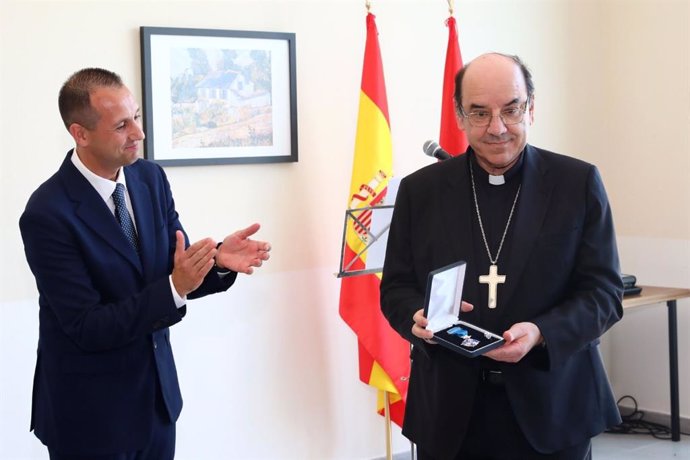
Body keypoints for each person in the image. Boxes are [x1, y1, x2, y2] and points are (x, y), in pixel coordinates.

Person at [380, 53, 623, 460]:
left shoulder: (576, 183)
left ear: (531, 107)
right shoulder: (421, 191)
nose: (497, 128)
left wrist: (542, 331)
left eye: (511, 110)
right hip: (450, 412)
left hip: (553, 407)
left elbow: (604, 292)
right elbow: (396, 289)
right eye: (479, 113)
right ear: (459, 116)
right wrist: (416, 315)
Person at [19, 68, 271, 459]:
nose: (138, 133)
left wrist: (217, 260)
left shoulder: (149, 178)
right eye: (122, 125)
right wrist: (177, 286)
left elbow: (174, 270)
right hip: (88, 417)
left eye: (136, 116)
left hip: (156, 402)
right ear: (80, 134)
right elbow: (88, 326)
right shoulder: (47, 213)